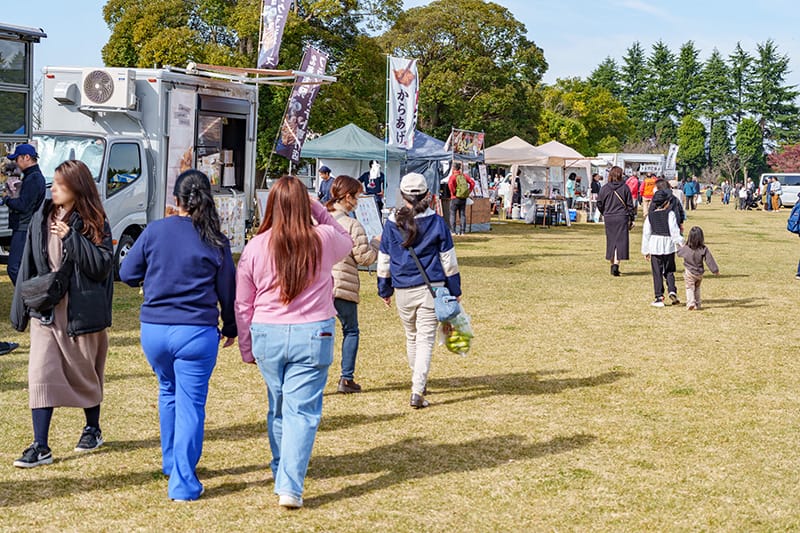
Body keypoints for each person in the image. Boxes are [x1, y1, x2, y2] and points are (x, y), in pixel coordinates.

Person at [119, 170, 237, 501]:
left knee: (168, 391)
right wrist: (230, 327)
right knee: (191, 404)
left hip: (154, 330)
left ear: (176, 200)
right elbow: (228, 291)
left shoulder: (155, 230)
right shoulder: (216, 239)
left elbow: (127, 272)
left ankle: (171, 463)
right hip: (196, 332)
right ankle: (183, 482)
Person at [235, 176, 352, 509]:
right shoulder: (323, 238)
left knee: (279, 406)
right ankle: (289, 484)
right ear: (305, 205)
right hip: (313, 333)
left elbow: (243, 302)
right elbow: (347, 240)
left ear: (270, 205)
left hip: (267, 334)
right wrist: (320, 210)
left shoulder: (256, 246)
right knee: (301, 411)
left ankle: (281, 471)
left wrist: (246, 344)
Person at [10, 160, 113, 468]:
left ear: (76, 188)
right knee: (40, 374)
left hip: (81, 311)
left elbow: (102, 266)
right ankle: (40, 445)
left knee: (86, 372)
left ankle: (92, 428)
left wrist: (72, 237)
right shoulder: (42, 215)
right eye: (53, 183)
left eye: (60, 184)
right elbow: (28, 262)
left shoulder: (95, 220)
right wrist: (20, 310)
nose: (53, 189)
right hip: (46, 310)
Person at [377, 173, 461, 409]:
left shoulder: (391, 223)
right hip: (431, 288)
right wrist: (454, 288)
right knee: (425, 339)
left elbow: (384, 260)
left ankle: (418, 383)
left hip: (402, 287)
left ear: (402, 195)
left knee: (412, 336)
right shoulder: (437, 222)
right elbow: (448, 261)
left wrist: (384, 289)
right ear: (427, 195)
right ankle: (417, 389)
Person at [326, 175, 381, 394]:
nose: (358, 201)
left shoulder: (318, 220)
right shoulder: (352, 225)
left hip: (318, 285)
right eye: (357, 197)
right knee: (350, 331)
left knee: (318, 333)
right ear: (348, 197)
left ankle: (312, 378)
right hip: (342, 285)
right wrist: (376, 243)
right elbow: (364, 258)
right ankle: (346, 378)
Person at [2, 144, 47, 285]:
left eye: (17, 159)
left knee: (14, 268)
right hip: (26, 227)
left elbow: (23, 205)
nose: (16, 163)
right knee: (25, 268)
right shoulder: (30, 177)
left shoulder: (33, 178)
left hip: (24, 227)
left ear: (26, 157)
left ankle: (28, 295)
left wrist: (6, 199)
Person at [641, 189, 684, 308]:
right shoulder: (670, 214)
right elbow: (674, 232)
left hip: (655, 245)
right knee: (670, 270)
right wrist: (681, 243)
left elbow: (646, 234)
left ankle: (659, 297)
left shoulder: (650, 216)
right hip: (669, 245)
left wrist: (645, 250)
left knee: (657, 272)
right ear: (666, 203)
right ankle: (672, 290)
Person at [597, 166, 635, 277]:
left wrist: (604, 212)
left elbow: (599, 203)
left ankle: (612, 263)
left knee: (611, 241)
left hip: (609, 217)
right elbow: (630, 205)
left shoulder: (604, 188)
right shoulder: (625, 188)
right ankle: (616, 264)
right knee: (621, 242)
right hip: (622, 217)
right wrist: (631, 218)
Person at [677, 226, 719, 311]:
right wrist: (715, 270)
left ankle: (691, 303)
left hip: (689, 272)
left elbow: (678, 253)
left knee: (689, 287)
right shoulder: (703, 249)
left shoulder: (686, 248)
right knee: (697, 288)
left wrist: (677, 245)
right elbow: (709, 260)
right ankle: (698, 303)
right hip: (699, 273)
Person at [448, 162, 475, 235]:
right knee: (462, 214)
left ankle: (453, 231)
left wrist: (453, 192)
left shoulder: (453, 177)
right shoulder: (464, 176)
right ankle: (462, 231)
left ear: (453, 168)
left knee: (453, 214)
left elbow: (450, 184)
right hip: (463, 198)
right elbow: (472, 183)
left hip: (454, 197)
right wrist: (468, 191)